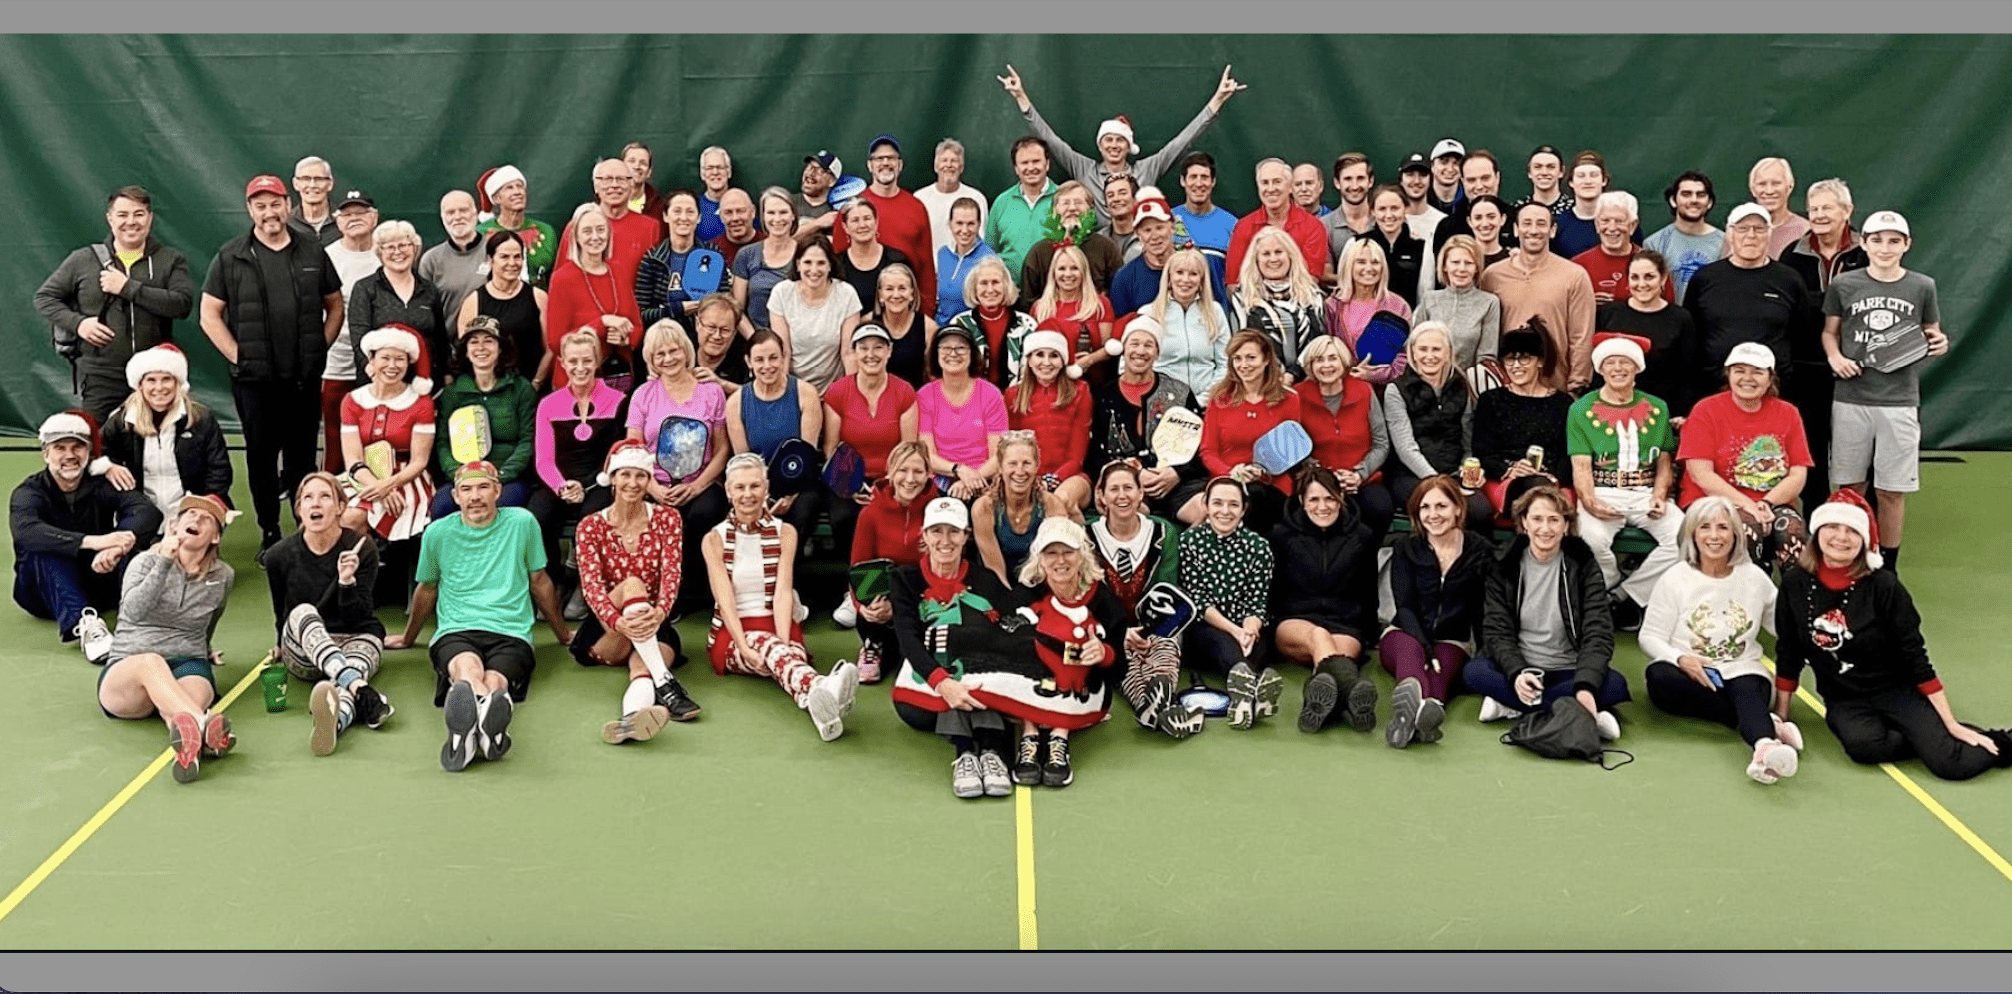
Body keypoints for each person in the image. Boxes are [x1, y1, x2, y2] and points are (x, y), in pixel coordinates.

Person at [1775, 491, 2012, 781]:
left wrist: (1950, 723)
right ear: (1818, 532)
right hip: (1844, 698)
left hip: (1896, 690)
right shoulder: (1795, 583)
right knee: (1864, 747)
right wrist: (1781, 715)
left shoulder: (1884, 586)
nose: (1841, 537)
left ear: (1865, 540)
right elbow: (1788, 650)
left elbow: (1915, 656)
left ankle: (2000, 740)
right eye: (1833, 527)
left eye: (1852, 531)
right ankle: (1928, 736)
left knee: (1950, 764)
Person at [387, 460, 571, 772]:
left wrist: (563, 634)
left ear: (498, 491)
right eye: (466, 489)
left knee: (491, 676)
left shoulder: (522, 523)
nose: (475, 496)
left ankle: (467, 731)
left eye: (483, 487)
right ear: (455, 497)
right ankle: (488, 722)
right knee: (470, 670)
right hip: (456, 631)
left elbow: (540, 582)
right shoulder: (437, 533)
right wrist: (408, 637)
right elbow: (426, 589)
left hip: (511, 632)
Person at [197, 174, 343, 557]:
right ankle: (269, 533)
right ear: (250, 210)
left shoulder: (312, 250)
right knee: (261, 458)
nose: (269, 212)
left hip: (302, 380)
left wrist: (319, 346)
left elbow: (335, 303)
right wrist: (238, 357)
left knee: (300, 458)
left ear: (288, 205)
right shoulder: (231, 256)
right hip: (255, 383)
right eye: (260, 205)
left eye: (275, 203)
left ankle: (303, 533)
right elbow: (209, 314)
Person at [1640, 497, 1802, 784]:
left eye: (1723, 528)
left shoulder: (1754, 578)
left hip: (1741, 669)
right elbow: (1650, 636)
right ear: (1692, 534)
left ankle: (1764, 748)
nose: (1714, 536)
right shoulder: (1675, 578)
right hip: (1691, 672)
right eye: (1705, 527)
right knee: (1658, 676)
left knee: (1751, 688)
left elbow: (1785, 627)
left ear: (1736, 535)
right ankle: (1768, 724)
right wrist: (1681, 659)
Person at [1821, 210, 1947, 574]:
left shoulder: (1923, 286)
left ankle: (1888, 570)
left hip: (1899, 401)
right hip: (1850, 398)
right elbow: (1830, 331)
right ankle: (1844, 560)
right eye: (1877, 239)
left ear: (1906, 245)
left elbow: (1931, 334)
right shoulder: (1845, 285)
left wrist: (1939, 343)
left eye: (1894, 240)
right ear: (1864, 242)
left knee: (1892, 491)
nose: (1885, 247)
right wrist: (1835, 357)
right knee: (1849, 486)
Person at [702, 453, 860, 739]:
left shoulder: (785, 531)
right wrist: (745, 648)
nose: (748, 495)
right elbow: (725, 601)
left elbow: (782, 592)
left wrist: (785, 642)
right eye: (740, 487)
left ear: (766, 489)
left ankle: (818, 706)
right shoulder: (714, 538)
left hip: (778, 624)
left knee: (784, 655)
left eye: (755, 486)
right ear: (728, 491)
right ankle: (824, 686)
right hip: (732, 633)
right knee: (774, 651)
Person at [93, 493, 237, 783]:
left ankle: (187, 753)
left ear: (215, 538)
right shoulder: (144, 562)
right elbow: (132, 611)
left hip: (188, 660)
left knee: (187, 703)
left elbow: (213, 616)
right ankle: (205, 725)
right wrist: (164, 562)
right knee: (152, 663)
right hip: (132, 665)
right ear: (174, 525)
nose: (196, 519)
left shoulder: (223, 576)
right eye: (189, 515)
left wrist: (206, 647)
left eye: (206, 518)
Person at [1465, 485, 1630, 737]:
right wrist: (1517, 673)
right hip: (1523, 666)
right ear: (1523, 523)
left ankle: (1512, 705)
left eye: (1554, 520)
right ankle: (1583, 713)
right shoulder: (1503, 563)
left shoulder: (1583, 564)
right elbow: (1497, 631)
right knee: (1474, 672)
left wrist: (1584, 686)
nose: (1545, 528)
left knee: (1615, 684)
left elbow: (1599, 631)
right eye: (1537, 519)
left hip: (1569, 669)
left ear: (1566, 525)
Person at [886, 495, 1023, 798]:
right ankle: (967, 754)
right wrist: (943, 683)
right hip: (930, 679)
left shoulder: (985, 579)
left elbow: (1015, 621)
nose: (945, 540)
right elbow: (908, 639)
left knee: (988, 676)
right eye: (937, 531)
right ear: (924, 535)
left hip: (980, 674)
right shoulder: (904, 579)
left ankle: (988, 754)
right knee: (911, 708)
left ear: (966, 537)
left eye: (953, 532)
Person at [1000, 62, 1241, 223]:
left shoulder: (1146, 169)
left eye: (1120, 140)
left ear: (1129, 146)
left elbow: (1182, 141)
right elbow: (1050, 139)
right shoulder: (1083, 169)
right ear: (1100, 145)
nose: (1114, 145)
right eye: (1108, 140)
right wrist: (1022, 98)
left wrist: (1217, 101)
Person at [574, 439, 702, 742]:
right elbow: (591, 588)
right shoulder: (590, 526)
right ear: (613, 479)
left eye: (641, 476)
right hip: (609, 631)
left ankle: (631, 717)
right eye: (625, 474)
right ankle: (667, 684)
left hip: (653, 623)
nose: (632, 483)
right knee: (633, 584)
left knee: (642, 669)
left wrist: (659, 614)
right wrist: (619, 622)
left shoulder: (668, 519)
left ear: (649, 481)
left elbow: (672, 574)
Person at [12, 410, 163, 663]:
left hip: (100, 580)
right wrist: (94, 541)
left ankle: (143, 619)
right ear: (46, 453)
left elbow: (146, 511)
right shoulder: (28, 492)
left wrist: (116, 547)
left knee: (133, 546)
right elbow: (27, 532)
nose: (69, 455)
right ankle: (87, 624)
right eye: (59, 448)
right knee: (42, 550)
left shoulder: (102, 484)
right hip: (41, 594)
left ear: (89, 452)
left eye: (77, 447)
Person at [35, 185, 194, 422]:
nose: (131, 222)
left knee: (154, 450)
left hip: (154, 380)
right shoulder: (83, 259)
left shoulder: (170, 260)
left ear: (150, 218)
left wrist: (127, 288)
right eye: (123, 215)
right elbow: (45, 298)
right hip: (101, 377)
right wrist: (79, 324)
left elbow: (181, 305)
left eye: (139, 214)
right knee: (97, 448)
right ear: (110, 219)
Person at [265, 472, 394, 756]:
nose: (316, 504)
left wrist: (347, 580)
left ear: (340, 507)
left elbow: (358, 616)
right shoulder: (278, 556)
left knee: (347, 676)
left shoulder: (363, 548)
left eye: (325, 497)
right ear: (299, 509)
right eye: (308, 498)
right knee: (302, 612)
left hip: (356, 636)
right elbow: (281, 611)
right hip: (306, 650)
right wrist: (279, 643)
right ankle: (360, 688)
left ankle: (335, 722)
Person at [1082, 462, 1203, 738]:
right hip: (1108, 627)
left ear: (1140, 494)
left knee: (1165, 641)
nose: (1122, 495)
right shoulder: (1087, 536)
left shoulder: (1163, 533)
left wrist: (1146, 631)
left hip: (1153, 623)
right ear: (1101, 496)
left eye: (1128, 488)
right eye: (1114, 489)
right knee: (1123, 656)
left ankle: (1154, 703)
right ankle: (1159, 704)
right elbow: (1089, 597)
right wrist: (1120, 632)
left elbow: (1166, 590)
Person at [1568, 336, 1681, 630]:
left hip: (1645, 491)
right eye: (1610, 363)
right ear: (1600, 369)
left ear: (1637, 367)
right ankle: (1612, 582)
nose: (1618, 368)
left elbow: (1665, 460)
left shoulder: (1657, 408)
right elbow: (1580, 465)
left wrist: (1659, 494)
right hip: (1603, 489)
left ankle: (1627, 595)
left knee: (1686, 536)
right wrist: (1590, 501)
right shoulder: (1580, 409)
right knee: (1591, 538)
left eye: (1625, 362)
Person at [1006, 517, 1125, 787]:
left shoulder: (1101, 598)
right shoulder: (1027, 593)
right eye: (1051, 553)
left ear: (1081, 555)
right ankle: (1030, 734)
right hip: (1037, 688)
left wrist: (1104, 653)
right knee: (1024, 644)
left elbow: (1121, 664)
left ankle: (1060, 737)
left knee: (1074, 654)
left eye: (1067, 552)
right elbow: (1008, 648)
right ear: (1040, 558)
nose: (1060, 561)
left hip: (1083, 690)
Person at [1677, 343, 1812, 571]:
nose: (1747, 378)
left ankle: (1792, 601)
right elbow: (1701, 475)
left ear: (1770, 378)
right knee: (1745, 528)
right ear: (1728, 374)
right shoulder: (1706, 410)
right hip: (1714, 501)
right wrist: (1749, 506)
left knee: (1793, 530)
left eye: (1757, 372)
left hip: (1772, 503)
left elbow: (1798, 474)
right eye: (1739, 371)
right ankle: (1741, 597)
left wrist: (1765, 503)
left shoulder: (1788, 413)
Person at [1269, 463, 1381, 737]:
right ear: (1301, 502)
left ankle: (1331, 703)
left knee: (1337, 657)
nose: (1323, 506)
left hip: (1345, 624)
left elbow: (1369, 590)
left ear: (1341, 498)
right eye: (1314, 499)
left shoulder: (1362, 536)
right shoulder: (1282, 535)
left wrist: (1368, 631)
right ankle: (1345, 694)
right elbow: (1273, 589)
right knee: (1319, 635)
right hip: (1294, 623)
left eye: (1330, 498)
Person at [1382, 476, 1495, 747]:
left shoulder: (1481, 551)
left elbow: (1482, 608)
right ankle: (1421, 710)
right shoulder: (1405, 548)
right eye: (1425, 508)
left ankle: (1411, 719)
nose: (1433, 515)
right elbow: (1405, 605)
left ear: (1458, 508)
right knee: (1411, 662)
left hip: (1453, 639)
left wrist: (1484, 651)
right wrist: (1424, 646)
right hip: (1404, 632)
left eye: (1441, 506)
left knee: (1441, 677)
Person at [626, 319, 731, 600]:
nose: (668, 358)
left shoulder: (711, 392)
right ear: (651, 359)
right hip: (653, 483)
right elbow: (633, 451)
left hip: (700, 482)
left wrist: (697, 487)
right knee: (660, 519)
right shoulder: (642, 395)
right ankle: (656, 590)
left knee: (703, 514)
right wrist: (654, 489)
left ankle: (695, 590)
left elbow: (722, 450)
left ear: (686, 351)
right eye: (660, 354)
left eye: (674, 351)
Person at [1786, 178, 1870, 503]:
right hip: (1807, 370)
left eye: (1827, 208)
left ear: (1847, 211)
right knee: (1814, 449)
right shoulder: (1791, 256)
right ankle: (1819, 521)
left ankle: (1862, 521)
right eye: (1813, 209)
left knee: (1860, 452)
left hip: (1859, 371)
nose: (1819, 215)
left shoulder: (1868, 253)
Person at [531, 329, 629, 603]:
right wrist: (563, 487)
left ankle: (587, 590)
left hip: (601, 480)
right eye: (573, 361)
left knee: (590, 519)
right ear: (562, 362)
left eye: (587, 361)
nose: (580, 368)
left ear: (597, 361)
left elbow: (615, 454)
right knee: (536, 518)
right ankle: (556, 581)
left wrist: (587, 484)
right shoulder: (548, 404)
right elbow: (544, 459)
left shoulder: (619, 401)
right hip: (559, 480)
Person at [1178, 476, 1283, 729]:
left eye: (1233, 505)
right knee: (1219, 640)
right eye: (1218, 503)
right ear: (1206, 505)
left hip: (1245, 626)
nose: (1225, 511)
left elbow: (1257, 601)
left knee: (1258, 643)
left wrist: (1249, 629)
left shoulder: (1259, 547)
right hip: (1205, 627)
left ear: (1244, 508)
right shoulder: (1190, 542)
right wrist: (1235, 630)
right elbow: (1198, 601)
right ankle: (1253, 689)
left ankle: (1245, 696)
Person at [1680, 203, 1812, 403]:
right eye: (1742, 228)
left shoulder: (1789, 280)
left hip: (1774, 394)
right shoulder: (1704, 278)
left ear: (1769, 234)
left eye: (1759, 229)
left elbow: (1802, 337)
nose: (1751, 235)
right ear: (1730, 234)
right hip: (1713, 391)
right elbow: (1690, 337)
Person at [1086, 316, 1208, 525]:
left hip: (1178, 484)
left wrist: (1176, 473)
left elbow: (1202, 446)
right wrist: (1133, 474)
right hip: (1127, 486)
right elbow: (1094, 456)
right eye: (1134, 344)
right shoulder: (1103, 396)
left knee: (1206, 513)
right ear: (1123, 349)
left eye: (1148, 345)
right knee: (1128, 513)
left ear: (1157, 353)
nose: (1140, 351)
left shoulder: (1179, 392)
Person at [98, 344, 231, 522]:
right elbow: (95, 450)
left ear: (178, 383)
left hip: (190, 512)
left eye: (166, 379)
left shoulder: (201, 418)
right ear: (140, 385)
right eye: (151, 380)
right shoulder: (122, 420)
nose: (159, 387)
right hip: (140, 514)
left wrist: (202, 506)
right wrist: (108, 466)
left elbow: (219, 468)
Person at [821, 323, 920, 556]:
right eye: (863, 348)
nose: (871, 354)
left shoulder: (904, 392)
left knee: (888, 513)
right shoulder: (837, 392)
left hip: (893, 477)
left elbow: (908, 449)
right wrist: (851, 483)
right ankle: (855, 582)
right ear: (854, 353)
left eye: (878, 347)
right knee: (843, 517)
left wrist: (887, 485)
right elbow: (831, 448)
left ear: (889, 351)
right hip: (848, 478)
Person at [1381, 322, 1493, 525]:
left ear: (1448, 352)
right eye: (1422, 349)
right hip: (1412, 474)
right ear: (1412, 353)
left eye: (1436, 349)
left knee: (1479, 510)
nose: (1429, 356)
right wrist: (1439, 482)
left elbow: (1467, 435)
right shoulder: (1396, 390)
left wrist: (1468, 470)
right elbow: (1406, 448)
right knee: (1440, 507)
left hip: (1453, 470)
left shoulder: (1460, 384)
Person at [1479, 202, 1596, 391]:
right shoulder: (1492, 276)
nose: (1533, 230)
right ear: (1516, 229)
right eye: (1526, 223)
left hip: (1556, 388)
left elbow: (1581, 336)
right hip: (1506, 389)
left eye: (1541, 224)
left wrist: (1577, 385)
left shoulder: (1574, 275)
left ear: (1552, 230)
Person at [849, 440, 941, 682]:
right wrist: (864, 608)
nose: (910, 479)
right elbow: (857, 569)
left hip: (920, 597)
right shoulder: (870, 515)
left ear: (928, 474)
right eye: (903, 470)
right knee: (874, 590)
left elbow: (946, 570)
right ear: (890, 473)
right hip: (885, 597)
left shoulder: (937, 510)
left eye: (918, 471)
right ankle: (873, 646)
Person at [430, 318, 538, 520]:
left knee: (505, 508)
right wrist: (460, 474)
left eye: (488, 340)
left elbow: (527, 440)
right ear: (465, 350)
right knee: (442, 508)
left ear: (500, 348)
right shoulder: (453, 393)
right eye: (473, 342)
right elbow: (442, 443)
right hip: (464, 476)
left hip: (506, 477)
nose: (481, 348)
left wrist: (500, 475)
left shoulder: (520, 389)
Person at [1196, 330, 1301, 533]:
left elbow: (1290, 451)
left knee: (1260, 497)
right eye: (1237, 358)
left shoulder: (1289, 400)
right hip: (1229, 482)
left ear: (1266, 359)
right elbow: (1208, 451)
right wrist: (1231, 472)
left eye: (1251, 358)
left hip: (1274, 482)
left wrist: (1266, 469)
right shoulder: (1220, 400)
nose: (1243, 365)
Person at [725, 330, 825, 543]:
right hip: (757, 485)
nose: (767, 366)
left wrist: (790, 496)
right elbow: (743, 463)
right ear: (748, 362)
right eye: (759, 360)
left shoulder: (805, 393)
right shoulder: (735, 402)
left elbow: (805, 456)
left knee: (800, 513)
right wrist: (761, 499)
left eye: (773, 358)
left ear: (783, 358)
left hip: (800, 483)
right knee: (745, 510)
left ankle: (789, 574)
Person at [341, 326, 437, 543]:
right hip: (363, 476)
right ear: (372, 361)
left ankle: (364, 568)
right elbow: (353, 460)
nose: (392, 366)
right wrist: (379, 487)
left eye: (399, 359)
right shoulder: (352, 400)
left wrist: (390, 484)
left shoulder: (421, 403)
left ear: (408, 363)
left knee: (352, 518)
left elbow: (419, 461)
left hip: (406, 479)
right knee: (328, 512)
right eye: (385, 358)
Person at [1294, 335, 1393, 539]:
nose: (1327, 365)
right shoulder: (1298, 395)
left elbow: (1381, 443)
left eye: (1333, 358)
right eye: (1319, 360)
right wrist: (1325, 476)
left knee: (1380, 507)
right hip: (1317, 479)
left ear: (1343, 362)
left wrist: (1359, 474)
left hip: (1361, 479)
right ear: (1310, 366)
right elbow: (1295, 447)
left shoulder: (1364, 391)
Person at [1472, 323, 1574, 517]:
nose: (1516, 366)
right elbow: (1482, 452)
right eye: (1510, 359)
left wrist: (1551, 475)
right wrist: (1510, 469)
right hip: (1506, 480)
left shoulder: (1563, 403)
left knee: (1544, 492)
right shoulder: (1491, 400)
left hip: (1550, 479)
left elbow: (1569, 455)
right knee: (1539, 495)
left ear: (1540, 361)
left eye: (1524, 358)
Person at [831, 134, 938, 321]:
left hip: (903, 310)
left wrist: (926, 314)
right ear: (870, 165)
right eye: (879, 159)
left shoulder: (916, 207)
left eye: (891, 158)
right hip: (856, 312)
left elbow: (926, 267)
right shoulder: (852, 209)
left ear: (900, 165)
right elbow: (837, 262)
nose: (885, 163)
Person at [546, 205, 644, 393]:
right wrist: (601, 324)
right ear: (576, 236)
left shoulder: (619, 271)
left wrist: (626, 338)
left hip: (617, 381)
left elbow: (637, 327)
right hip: (575, 384)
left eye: (600, 230)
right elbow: (556, 342)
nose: (595, 237)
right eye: (587, 231)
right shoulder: (562, 278)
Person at [348, 220, 449, 394]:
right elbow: (359, 338)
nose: (398, 252)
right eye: (389, 247)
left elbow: (440, 338)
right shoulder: (365, 288)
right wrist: (370, 370)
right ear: (380, 253)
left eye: (404, 245)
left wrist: (445, 374)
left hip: (423, 384)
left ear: (415, 248)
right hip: (379, 384)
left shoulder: (429, 290)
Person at [1595, 250, 1698, 418]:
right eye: (1635, 277)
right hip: (1612, 411)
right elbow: (1598, 369)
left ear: (1663, 278)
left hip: (1662, 413)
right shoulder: (1609, 314)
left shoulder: (1681, 319)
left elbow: (1689, 374)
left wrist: (1682, 414)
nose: (1641, 284)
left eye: (1649, 277)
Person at [319, 190, 384, 448]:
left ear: (375, 217)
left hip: (380, 367)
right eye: (347, 214)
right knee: (336, 440)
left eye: (361, 213)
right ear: (337, 221)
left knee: (376, 439)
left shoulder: (389, 253)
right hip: (336, 364)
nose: (354, 218)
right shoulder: (326, 257)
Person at [918, 325, 1009, 502]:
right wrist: (958, 470)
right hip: (941, 479)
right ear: (936, 354)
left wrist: (971, 480)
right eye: (945, 347)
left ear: (972, 354)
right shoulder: (925, 395)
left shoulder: (990, 394)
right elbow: (927, 454)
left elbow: (999, 454)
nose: (953, 353)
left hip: (984, 478)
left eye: (960, 348)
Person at [1005, 330, 1095, 508]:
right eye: (1039, 355)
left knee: (1059, 500)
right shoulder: (1013, 395)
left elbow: (1076, 456)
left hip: (1071, 477)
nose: (1046, 362)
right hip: (1026, 477)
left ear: (1063, 361)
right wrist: (1032, 479)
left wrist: (1051, 481)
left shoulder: (1080, 391)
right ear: (1029, 360)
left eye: (1054, 356)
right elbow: (1013, 449)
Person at [973, 432, 1075, 585]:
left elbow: (1056, 562)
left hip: (1041, 583)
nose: (1020, 471)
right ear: (1000, 467)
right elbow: (996, 572)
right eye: (1012, 464)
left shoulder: (1051, 505)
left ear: (1036, 466)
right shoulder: (984, 508)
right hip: (998, 585)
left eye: (1026, 463)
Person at [1110, 190, 1227, 319]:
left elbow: (1216, 309)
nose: (1155, 236)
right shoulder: (1125, 277)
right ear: (1138, 235)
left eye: (1160, 228)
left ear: (1172, 228)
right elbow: (1121, 325)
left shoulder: (1197, 265)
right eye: (1147, 230)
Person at [1230, 226, 1326, 382]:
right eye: (1266, 254)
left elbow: (1318, 341)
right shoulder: (1243, 298)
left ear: (1290, 255)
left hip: (1308, 380)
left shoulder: (1311, 295)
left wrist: (1293, 374)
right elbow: (1244, 344)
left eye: (1279, 252)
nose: (1273, 259)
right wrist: (1276, 376)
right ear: (1256, 260)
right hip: (1262, 382)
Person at [768, 236, 863, 392]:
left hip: (834, 389)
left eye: (821, 263)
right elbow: (783, 351)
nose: (814, 270)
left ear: (830, 266)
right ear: (798, 265)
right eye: (807, 263)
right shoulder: (782, 293)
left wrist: (851, 394)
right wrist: (783, 393)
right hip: (794, 388)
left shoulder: (846, 294)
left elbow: (848, 352)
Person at [455, 230, 549, 386]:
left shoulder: (539, 297)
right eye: (504, 257)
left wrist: (536, 383)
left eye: (517, 257)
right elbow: (467, 354)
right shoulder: (473, 301)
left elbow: (550, 349)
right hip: (491, 393)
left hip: (531, 389)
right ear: (490, 260)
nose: (512, 263)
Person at [635, 189, 729, 337]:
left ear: (698, 217)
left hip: (705, 339)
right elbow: (642, 314)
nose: (683, 217)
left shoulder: (714, 255)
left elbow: (725, 305)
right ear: (666, 216)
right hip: (664, 338)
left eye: (690, 212)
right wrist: (678, 309)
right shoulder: (652, 260)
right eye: (677, 211)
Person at [1323, 238, 1412, 386]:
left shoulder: (1397, 306)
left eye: (1375, 262)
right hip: (1339, 385)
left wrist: (1373, 375)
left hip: (1385, 388)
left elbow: (1405, 356)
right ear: (1349, 266)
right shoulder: (1332, 305)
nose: (1369, 268)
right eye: (1361, 262)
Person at [1226, 158, 1329, 281]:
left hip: (1300, 297)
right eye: (1264, 182)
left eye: (1277, 182)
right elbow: (1233, 281)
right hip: (1252, 298)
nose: (1270, 189)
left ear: (1290, 187)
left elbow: (1312, 278)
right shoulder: (1243, 227)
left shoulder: (1313, 226)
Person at [1147, 248, 1230, 400]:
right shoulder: (1149, 313)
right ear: (1169, 277)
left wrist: (1203, 400)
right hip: (1162, 402)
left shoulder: (1215, 311)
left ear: (1201, 280)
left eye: (1193, 274)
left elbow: (1226, 362)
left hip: (1208, 401)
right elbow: (1132, 365)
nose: (1185, 280)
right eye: (1179, 273)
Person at [1413, 234, 1502, 377]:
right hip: (1426, 384)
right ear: (1445, 266)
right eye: (1455, 262)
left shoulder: (1490, 303)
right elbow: (1415, 349)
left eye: (1468, 263)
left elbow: (1486, 357)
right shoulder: (1429, 299)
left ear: (1477, 268)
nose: (1461, 269)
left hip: (1467, 386)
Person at [1019, 181, 1124, 300]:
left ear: (1091, 209)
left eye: (1079, 202)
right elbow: (1028, 300)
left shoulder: (1107, 248)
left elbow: (1119, 294)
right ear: (1054, 210)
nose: (1072, 208)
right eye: (1065, 203)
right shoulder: (1038, 252)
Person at [1027, 245, 1116, 380]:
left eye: (1074, 268)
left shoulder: (1101, 305)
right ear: (1053, 273)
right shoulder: (1040, 308)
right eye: (1062, 269)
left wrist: (1087, 361)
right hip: (1053, 382)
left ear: (1083, 272)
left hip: (1094, 382)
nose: (1068, 274)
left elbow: (1108, 349)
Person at [1570, 191, 1673, 307]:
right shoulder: (1578, 265)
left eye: (1619, 221)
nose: (1612, 228)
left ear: (1632, 226)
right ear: (1597, 225)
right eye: (1605, 221)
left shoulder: (1652, 264)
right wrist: (1585, 302)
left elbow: (1668, 309)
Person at [984, 136, 1060, 280]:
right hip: (1010, 294)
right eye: (1024, 163)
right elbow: (989, 251)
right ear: (1016, 169)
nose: (1031, 168)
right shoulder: (1002, 202)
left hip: (1053, 294)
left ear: (1047, 164)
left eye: (1036, 161)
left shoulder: (1064, 200)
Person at [1643, 170, 1723, 307]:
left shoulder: (1726, 242)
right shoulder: (1654, 243)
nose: (1694, 200)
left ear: (1709, 202)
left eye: (1701, 195)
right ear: (1673, 200)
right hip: (1669, 322)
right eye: (1686, 194)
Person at [833, 199, 917, 322]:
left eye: (867, 218)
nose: (862, 225)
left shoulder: (898, 260)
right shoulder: (836, 264)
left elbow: (910, 304)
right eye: (855, 220)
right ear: (845, 227)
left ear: (876, 222)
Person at [474, 164, 557, 287]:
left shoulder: (545, 231)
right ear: (496, 198)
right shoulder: (480, 233)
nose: (517, 192)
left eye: (520, 186)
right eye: (509, 188)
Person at [732, 188, 801, 332]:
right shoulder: (746, 255)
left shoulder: (805, 254)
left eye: (783, 212)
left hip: (797, 340)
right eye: (771, 213)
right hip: (755, 341)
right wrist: (757, 341)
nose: (777, 219)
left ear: (793, 215)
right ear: (763, 216)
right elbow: (737, 310)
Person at [915, 138, 989, 255]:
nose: (949, 165)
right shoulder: (920, 198)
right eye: (944, 160)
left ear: (961, 167)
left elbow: (981, 240)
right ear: (936, 166)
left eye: (954, 161)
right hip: (928, 269)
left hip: (966, 268)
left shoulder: (976, 198)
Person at [418, 190, 486, 319]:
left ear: (475, 213)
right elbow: (425, 309)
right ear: (442, 218)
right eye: (450, 212)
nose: (457, 217)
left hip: (491, 337)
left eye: (463, 210)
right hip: (447, 338)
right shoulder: (431, 260)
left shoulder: (495, 251)